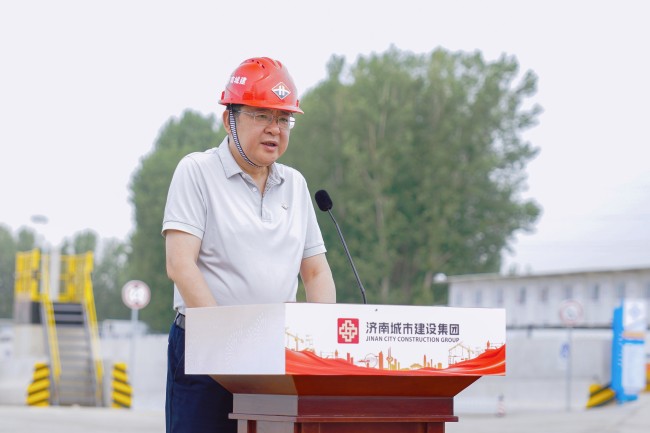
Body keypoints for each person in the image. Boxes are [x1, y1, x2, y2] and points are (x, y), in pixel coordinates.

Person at [162, 57, 337, 433]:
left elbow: (316, 272)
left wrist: (322, 346)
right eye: (261, 116)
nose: (275, 129)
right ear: (229, 120)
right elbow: (180, 264)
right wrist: (227, 343)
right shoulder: (197, 172)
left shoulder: (295, 185)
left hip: (276, 357)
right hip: (206, 353)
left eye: (284, 119)